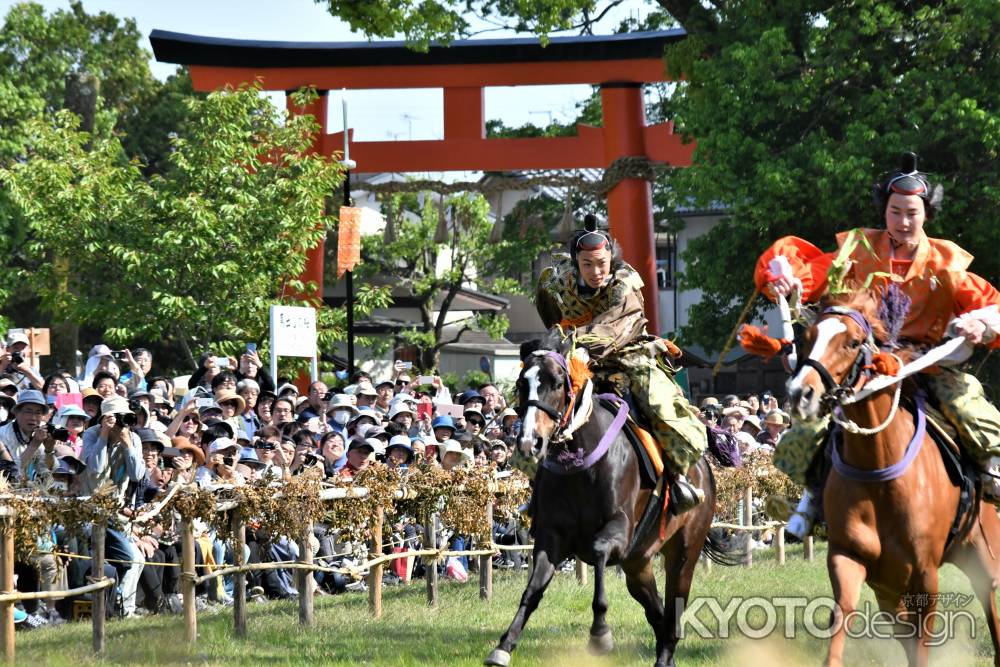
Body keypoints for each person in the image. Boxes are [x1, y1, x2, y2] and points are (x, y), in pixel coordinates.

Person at [757, 153, 1000, 537]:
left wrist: (980, 321)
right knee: (810, 421)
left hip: (925, 363)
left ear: (926, 215)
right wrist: (789, 281)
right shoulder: (856, 250)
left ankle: (989, 479)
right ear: (883, 210)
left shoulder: (945, 264)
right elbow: (812, 274)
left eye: (912, 213)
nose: (903, 222)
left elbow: (992, 304)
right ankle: (810, 495)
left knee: (970, 410)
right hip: (862, 364)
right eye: (895, 212)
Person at [535, 214, 707, 513]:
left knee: (658, 403)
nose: (596, 271)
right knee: (538, 404)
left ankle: (678, 478)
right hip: (573, 356)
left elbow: (615, 327)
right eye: (587, 264)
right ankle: (537, 486)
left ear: (610, 259)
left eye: (601, 263)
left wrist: (575, 341)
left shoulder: (624, 282)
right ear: (577, 263)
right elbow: (550, 315)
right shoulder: (560, 281)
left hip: (626, 355)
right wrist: (557, 344)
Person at [0, 390, 53, 481]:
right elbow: (11, 473)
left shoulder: (39, 433)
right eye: (28, 412)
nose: (33, 418)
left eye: (38, 413)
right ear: (16, 412)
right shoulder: (3, 434)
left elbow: (46, 470)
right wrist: (34, 444)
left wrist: (49, 450)